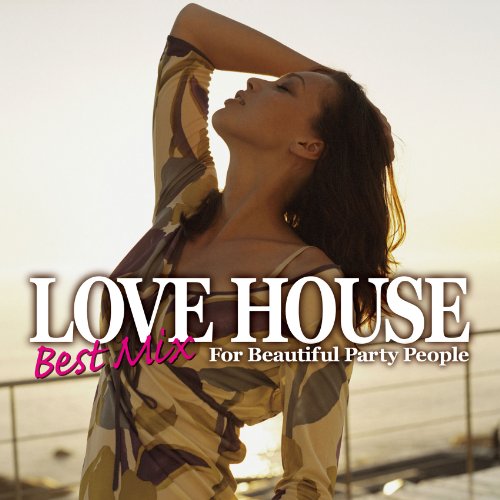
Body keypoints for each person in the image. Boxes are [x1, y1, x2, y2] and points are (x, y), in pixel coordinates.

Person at [79, 3, 405, 499]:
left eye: (283, 88)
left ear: (309, 144)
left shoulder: (311, 286)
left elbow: (308, 483)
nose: (255, 80)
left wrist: (341, 99)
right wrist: (332, 82)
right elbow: (192, 31)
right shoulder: (183, 207)